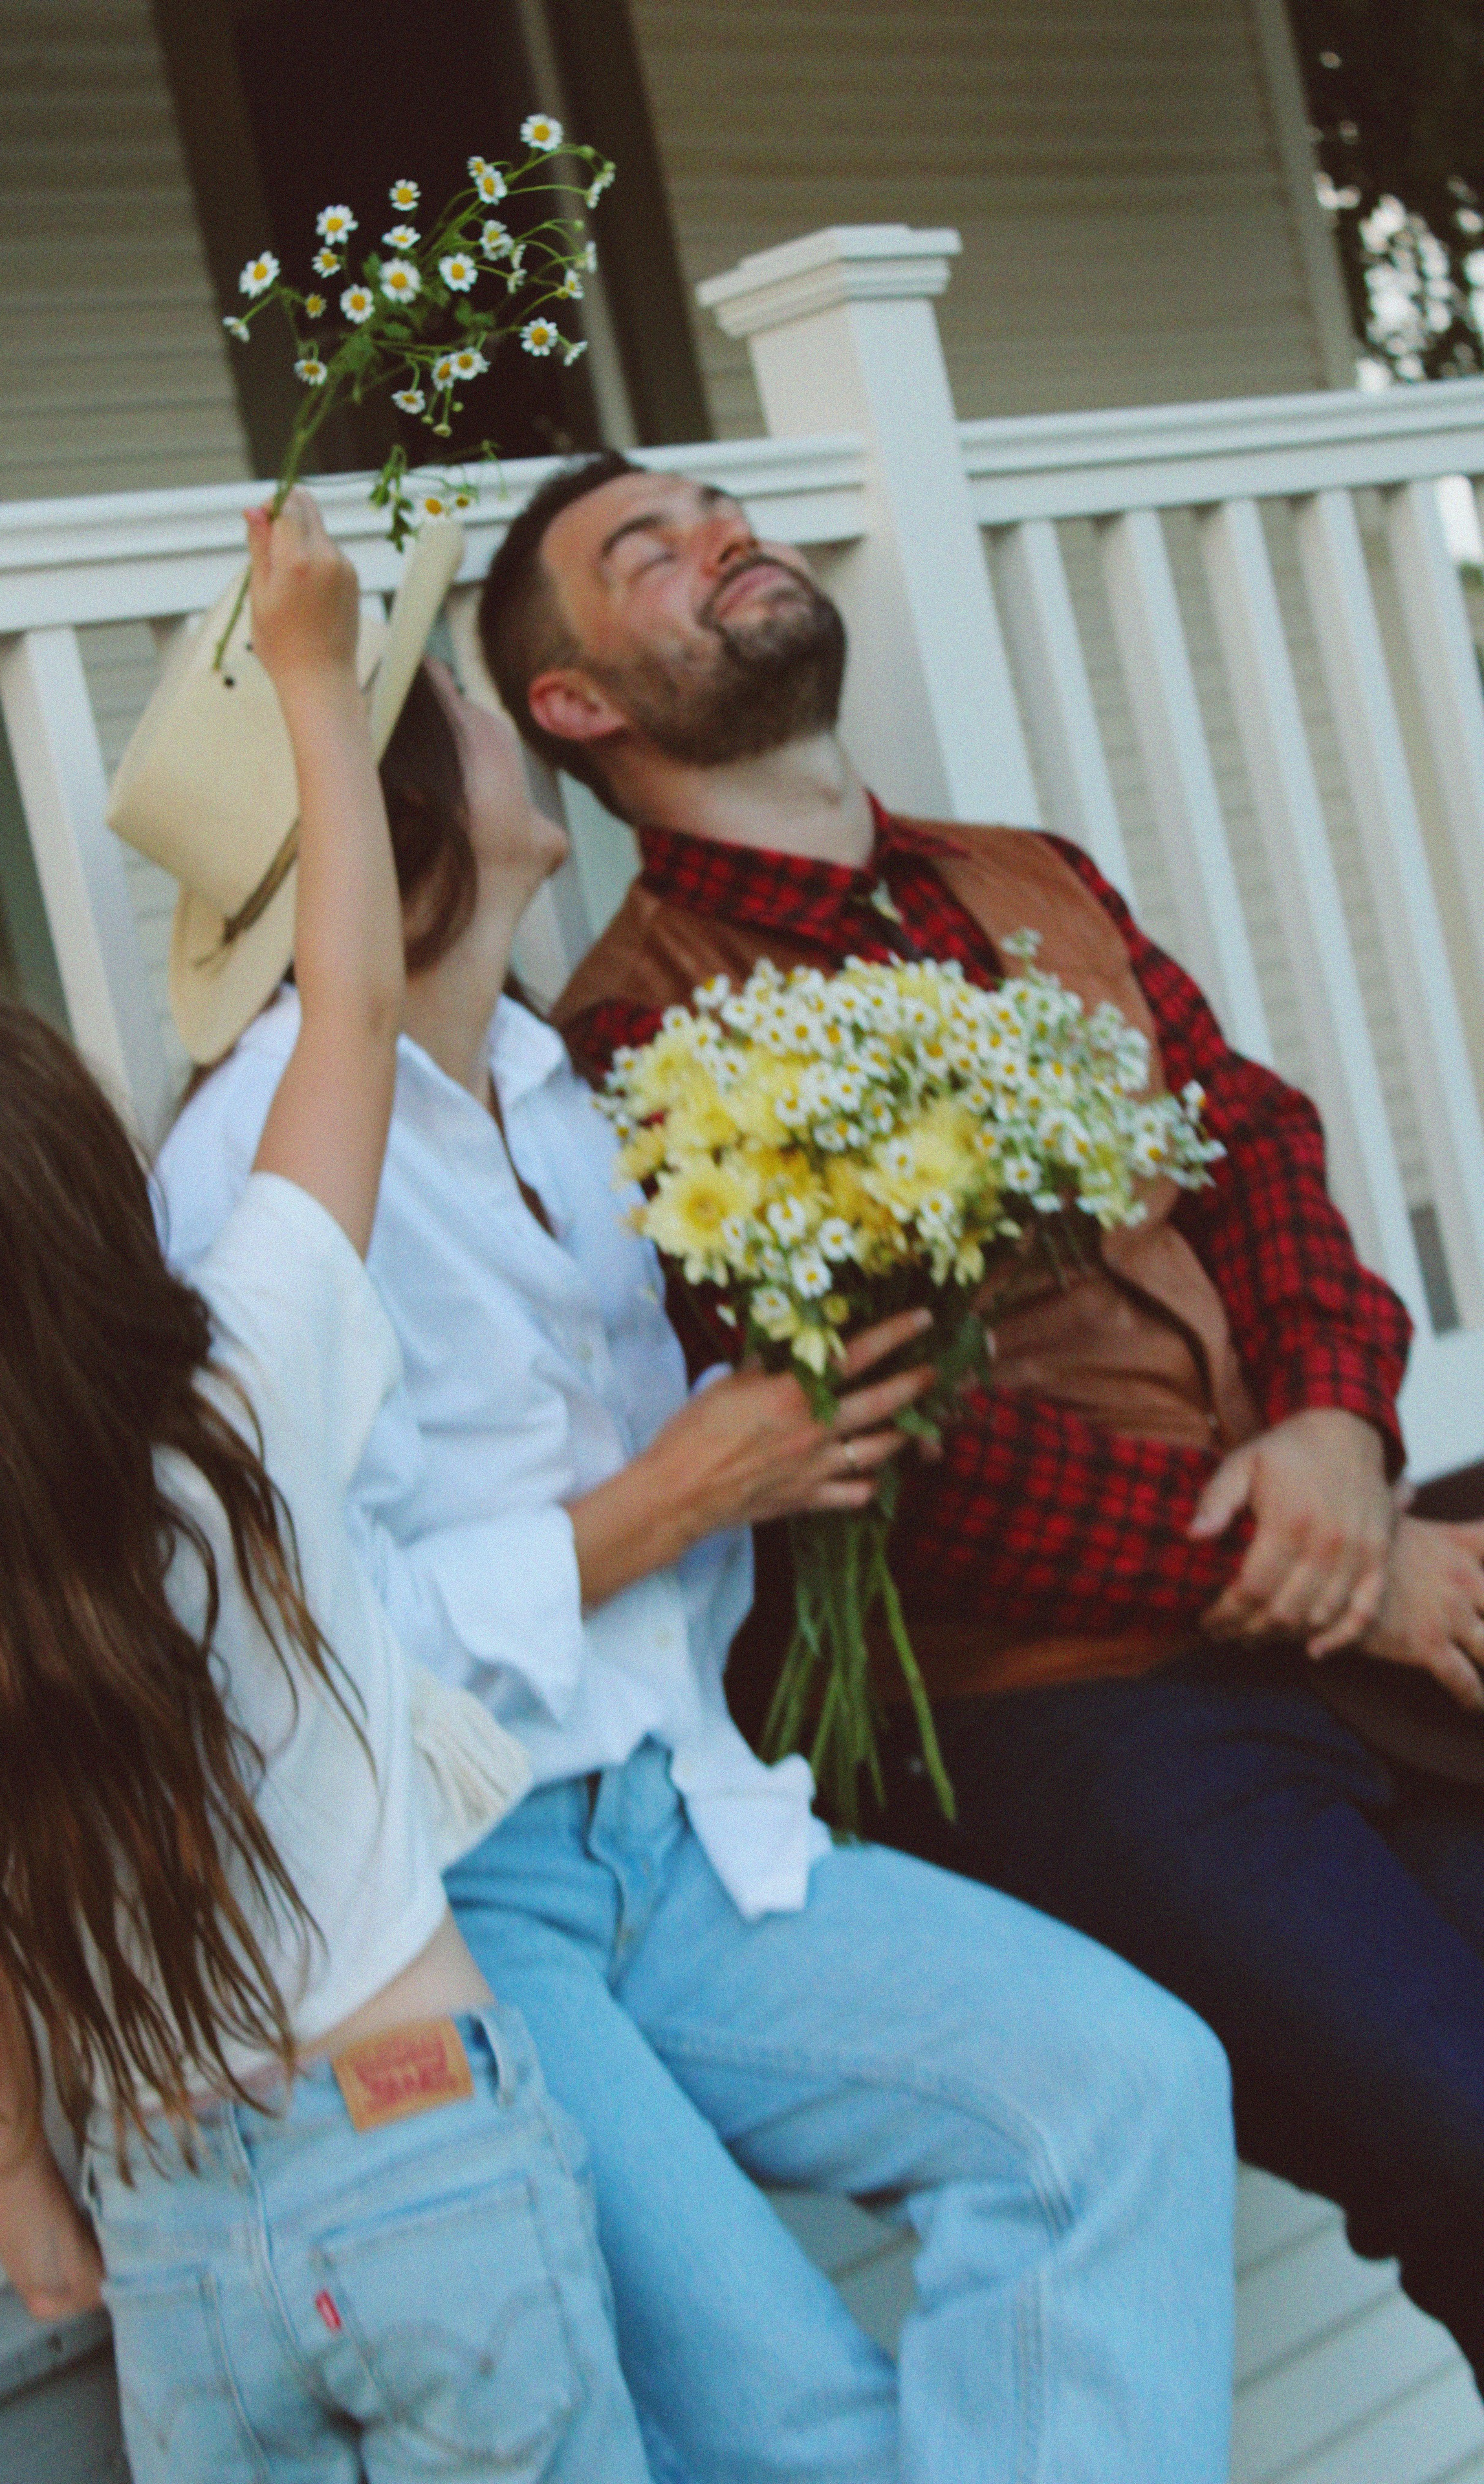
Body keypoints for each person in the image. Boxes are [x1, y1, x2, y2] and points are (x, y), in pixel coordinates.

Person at [158, 637, 1238, 2484]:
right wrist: (656, 1509)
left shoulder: (578, 1093)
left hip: (689, 1822)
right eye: (478, 717)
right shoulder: (254, 1173)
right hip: (458, 1905)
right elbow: (280, 1644)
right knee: (795, 2421)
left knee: (1126, 2091)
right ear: (409, 804)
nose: (520, 736)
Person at [471, 446, 1484, 2382]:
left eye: (723, 512)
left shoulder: (1032, 879)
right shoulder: (637, 1031)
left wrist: (1345, 1436)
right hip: (1060, 1705)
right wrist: (1340, 1570)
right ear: (573, 707)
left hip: (1322, 1579)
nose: (725, 541)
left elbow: (1252, 1143)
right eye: (649, 553)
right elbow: (877, 1460)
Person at [0, 491, 652, 2484]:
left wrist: (26, 2217)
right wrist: (308, 674)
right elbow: (350, 1006)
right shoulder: (241, 1387)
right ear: (94, 1205)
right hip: (416, 2145)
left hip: (172, 2234)